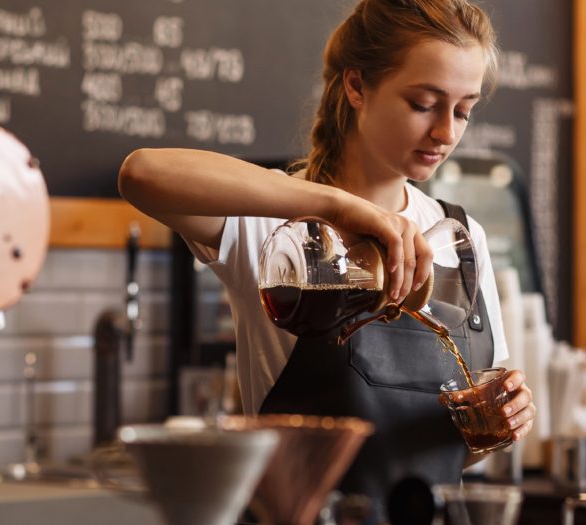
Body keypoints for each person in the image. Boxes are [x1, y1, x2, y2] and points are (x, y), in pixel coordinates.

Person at [119, 0, 535, 520]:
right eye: (424, 103)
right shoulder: (279, 229)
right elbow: (141, 174)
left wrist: (500, 423)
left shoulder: (462, 237)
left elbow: (452, 448)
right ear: (356, 87)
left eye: (463, 110)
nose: (446, 133)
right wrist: (335, 205)